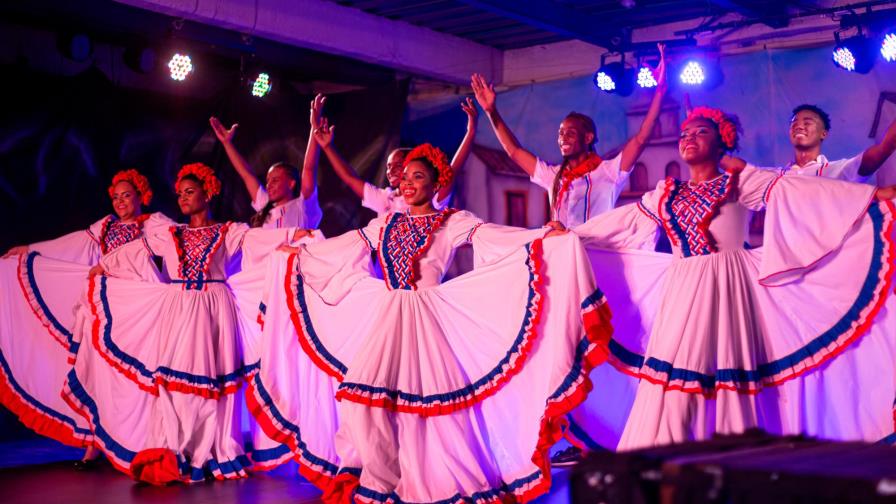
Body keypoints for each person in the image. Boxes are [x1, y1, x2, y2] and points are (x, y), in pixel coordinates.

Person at [247, 144, 612, 501]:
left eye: (417, 177)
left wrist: (542, 236)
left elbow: (493, 236)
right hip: (387, 318)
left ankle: (431, 478)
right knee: (363, 401)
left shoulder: (452, 220)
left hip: (427, 320)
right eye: (404, 177)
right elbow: (345, 247)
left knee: (430, 409)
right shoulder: (385, 222)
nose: (407, 183)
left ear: (436, 184)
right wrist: (302, 251)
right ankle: (380, 477)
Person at [568, 107, 896, 451]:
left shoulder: (741, 181)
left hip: (730, 286)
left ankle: (736, 463)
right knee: (676, 375)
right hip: (682, 289)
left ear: (722, 141)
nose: (689, 139)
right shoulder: (664, 194)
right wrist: (573, 235)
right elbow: (622, 222)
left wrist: (875, 197)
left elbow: (803, 194)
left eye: (700, 133)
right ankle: (668, 469)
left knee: (728, 369)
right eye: (684, 134)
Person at [62, 163, 312, 484]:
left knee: (211, 380)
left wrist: (293, 235)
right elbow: (136, 251)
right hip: (179, 307)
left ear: (207, 194)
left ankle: (209, 450)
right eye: (179, 194)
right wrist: (105, 266)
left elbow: (257, 242)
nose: (182, 198)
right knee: (173, 379)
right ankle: (175, 449)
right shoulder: (171, 234)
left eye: (190, 192)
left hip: (214, 307)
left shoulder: (228, 231)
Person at [0, 169, 165, 467]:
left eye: (126, 196)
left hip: (135, 309)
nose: (120, 202)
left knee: (133, 375)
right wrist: (30, 249)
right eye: (115, 197)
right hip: (102, 305)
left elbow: (176, 240)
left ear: (141, 196)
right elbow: (71, 244)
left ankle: (141, 440)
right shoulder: (105, 226)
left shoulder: (153, 224)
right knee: (95, 374)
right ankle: (94, 444)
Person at [470, 44, 667, 227]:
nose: (563, 138)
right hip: (562, 255)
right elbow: (514, 151)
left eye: (570, 133)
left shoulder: (609, 172)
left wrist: (659, 91)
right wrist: (491, 112)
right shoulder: (553, 176)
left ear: (588, 138)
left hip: (596, 256)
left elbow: (641, 139)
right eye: (560, 133)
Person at [314, 98, 478, 215]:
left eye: (397, 166)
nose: (390, 171)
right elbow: (350, 178)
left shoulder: (429, 200)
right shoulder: (387, 198)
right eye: (388, 167)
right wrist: (328, 147)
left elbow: (452, 172)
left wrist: (470, 134)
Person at [209, 94, 324, 229]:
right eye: (268, 181)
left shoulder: (303, 206)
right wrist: (227, 143)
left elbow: (309, 168)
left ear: (292, 183)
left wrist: (314, 129)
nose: (268, 185)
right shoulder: (264, 206)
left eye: (275, 180)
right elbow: (246, 174)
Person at [720, 103, 896, 183]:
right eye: (794, 123)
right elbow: (737, 168)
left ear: (823, 133)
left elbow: (883, 148)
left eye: (808, 122)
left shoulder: (838, 171)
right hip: (784, 257)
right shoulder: (775, 176)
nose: (799, 126)